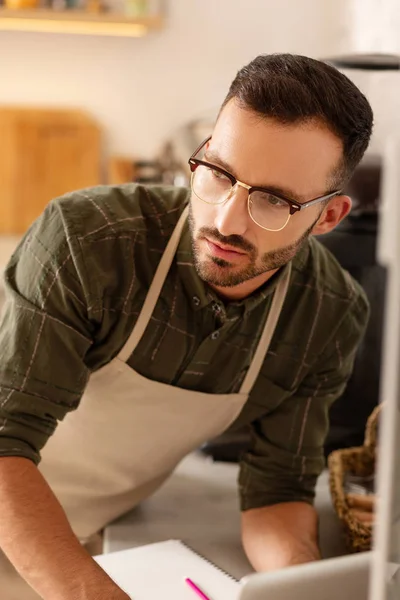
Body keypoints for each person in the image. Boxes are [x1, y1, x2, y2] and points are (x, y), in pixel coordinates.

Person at [0, 53, 373, 600]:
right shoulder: (89, 242)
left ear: (329, 217)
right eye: (220, 175)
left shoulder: (328, 313)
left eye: (273, 200)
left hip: (86, 543)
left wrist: (298, 587)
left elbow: (277, 491)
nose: (226, 220)